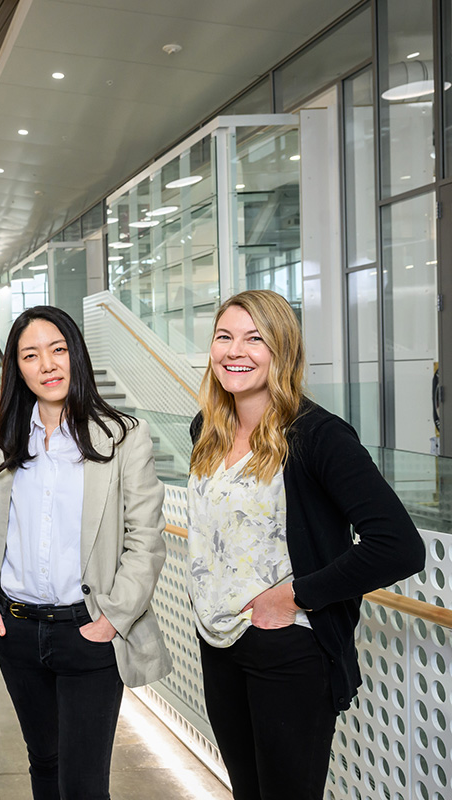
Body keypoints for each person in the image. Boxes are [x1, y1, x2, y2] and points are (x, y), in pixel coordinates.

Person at [187, 289, 425, 800]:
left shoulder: (318, 436)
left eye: (255, 339)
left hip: (287, 648)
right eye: (224, 337)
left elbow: (399, 545)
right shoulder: (205, 431)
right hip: (219, 643)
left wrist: (293, 596)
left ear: (283, 350)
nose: (236, 351)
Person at [0, 305, 169, 800]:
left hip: (89, 631)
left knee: (83, 783)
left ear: (75, 354)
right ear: (18, 368)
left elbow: (146, 538)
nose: (48, 365)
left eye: (57, 350)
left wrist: (111, 620)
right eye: (31, 355)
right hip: (16, 630)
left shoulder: (123, 436)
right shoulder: (3, 437)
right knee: (44, 764)